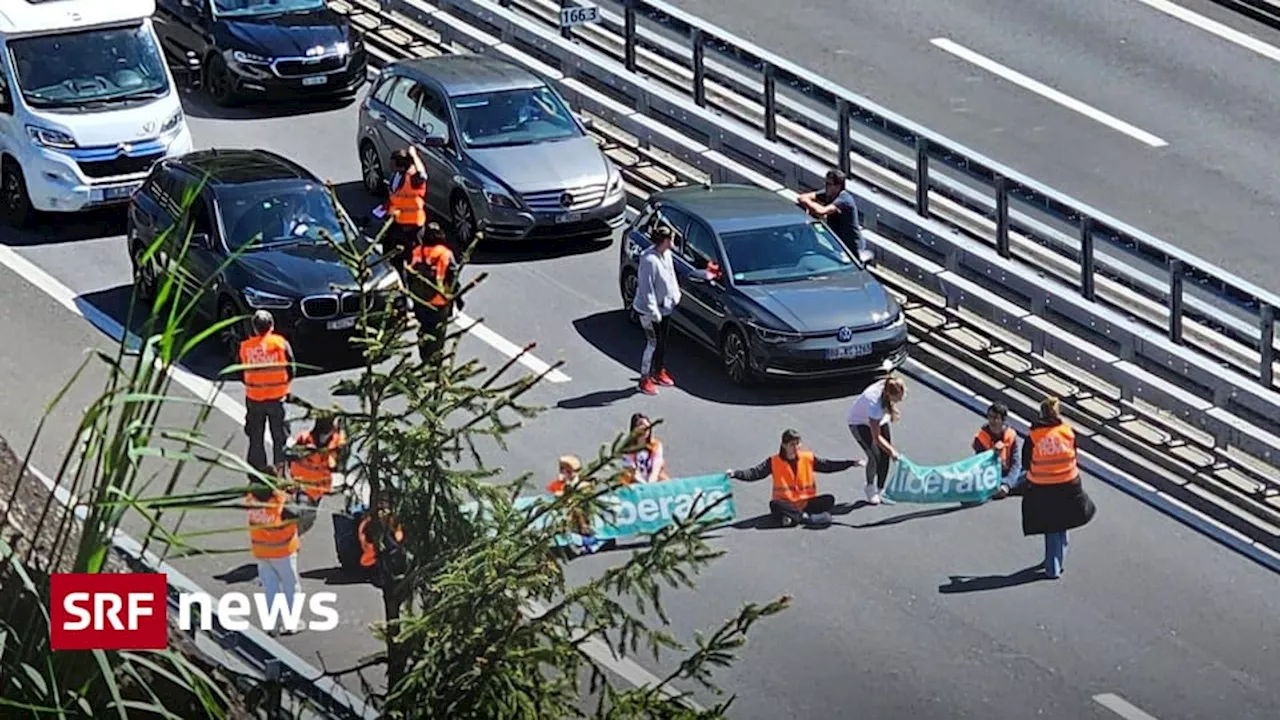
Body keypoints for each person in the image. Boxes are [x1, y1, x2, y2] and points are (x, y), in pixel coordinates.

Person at [1021, 396, 1096, 579]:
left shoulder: (1035, 436)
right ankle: (1058, 557)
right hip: (1069, 483)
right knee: (1063, 521)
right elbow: (1074, 453)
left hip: (1044, 487)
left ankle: (1052, 567)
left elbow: (1026, 462)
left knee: (1051, 525)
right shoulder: (1067, 432)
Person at [727, 429, 863, 527]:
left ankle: (791, 519)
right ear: (784, 445)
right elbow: (754, 473)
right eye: (792, 444)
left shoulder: (807, 458)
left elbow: (827, 465)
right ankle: (805, 518)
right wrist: (735, 474)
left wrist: (851, 463)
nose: (796, 448)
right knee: (774, 505)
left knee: (829, 499)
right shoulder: (773, 461)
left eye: (798, 444)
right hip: (786, 503)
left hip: (805, 502)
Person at [239, 310, 294, 474]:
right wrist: (284, 385)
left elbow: (240, 372)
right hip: (277, 398)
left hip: (254, 398)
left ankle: (258, 470)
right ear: (272, 326)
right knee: (280, 437)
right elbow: (291, 367)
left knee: (255, 436)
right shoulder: (280, 343)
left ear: (254, 328)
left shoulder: (246, 347)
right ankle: (280, 471)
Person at [246, 476, 301, 636]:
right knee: (291, 586)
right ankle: (291, 623)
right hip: (282, 551)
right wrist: (290, 493)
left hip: (261, 551)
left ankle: (271, 624)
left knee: (270, 587)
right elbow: (296, 512)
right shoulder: (281, 502)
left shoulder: (251, 499)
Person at [406, 222, 463, 363]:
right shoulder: (445, 253)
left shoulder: (417, 251)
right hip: (439, 301)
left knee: (424, 329)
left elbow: (409, 275)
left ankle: (424, 357)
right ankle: (436, 362)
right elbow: (453, 278)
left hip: (421, 300)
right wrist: (458, 299)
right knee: (438, 333)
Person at [846, 375, 906, 505]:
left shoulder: (888, 384)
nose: (901, 399)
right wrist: (893, 452)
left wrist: (889, 451)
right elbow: (876, 437)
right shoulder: (874, 405)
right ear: (889, 394)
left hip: (880, 419)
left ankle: (881, 489)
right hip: (860, 423)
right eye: (898, 398)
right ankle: (870, 487)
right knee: (874, 456)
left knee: (885, 455)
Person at [287, 416, 348, 535]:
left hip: (299, 482)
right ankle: (292, 538)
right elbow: (340, 464)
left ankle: (291, 536)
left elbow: (289, 455)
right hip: (316, 488)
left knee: (300, 515)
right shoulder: (334, 445)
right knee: (306, 518)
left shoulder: (304, 438)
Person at [797, 169, 865, 254]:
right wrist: (809, 204)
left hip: (852, 247)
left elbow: (821, 211)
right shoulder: (828, 194)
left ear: (838, 186)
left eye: (829, 184)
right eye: (826, 183)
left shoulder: (844, 200)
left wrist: (809, 204)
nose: (826, 186)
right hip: (839, 244)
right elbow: (803, 197)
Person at [546, 455, 603, 553]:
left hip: (581, 509)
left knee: (581, 519)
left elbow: (585, 493)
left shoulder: (581, 483)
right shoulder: (563, 483)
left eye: (567, 471)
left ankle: (590, 541)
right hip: (568, 510)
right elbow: (555, 492)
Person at [384, 146, 428, 271]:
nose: (390, 165)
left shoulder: (413, 177)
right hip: (398, 222)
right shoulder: (396, 176)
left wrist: (414, 156)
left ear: (400, 164)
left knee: (413, 258)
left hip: (413, 225)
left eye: (392, 162)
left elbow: (423, 175)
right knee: (391, 253)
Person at [971, 402, 1022, 502]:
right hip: (990, 475)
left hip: (1007, 474)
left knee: (1029, 474)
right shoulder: (980, 438)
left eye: (995, 418)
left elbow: (1016, 463)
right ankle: (996, 488)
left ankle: (1003, 488)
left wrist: (1007, 484)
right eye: (990, 417)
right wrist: (993, 454)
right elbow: (981, 466)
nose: (991, 421)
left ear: (1003, 420)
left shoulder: (1011, 435)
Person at [358, 492, 406, 585]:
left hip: (380, 559)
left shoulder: (392, 520)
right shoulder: (370, 520)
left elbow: (399, 538)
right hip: (371, 562)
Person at [620, 413, 670, 485]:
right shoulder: (628, 449)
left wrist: (650, 485)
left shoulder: (656, 445)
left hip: (654, 481)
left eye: (647, 426)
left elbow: (656, 468)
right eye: (640, 425)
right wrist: (644, 486)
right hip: (635, 482)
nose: (644, 428)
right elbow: (632, 471)